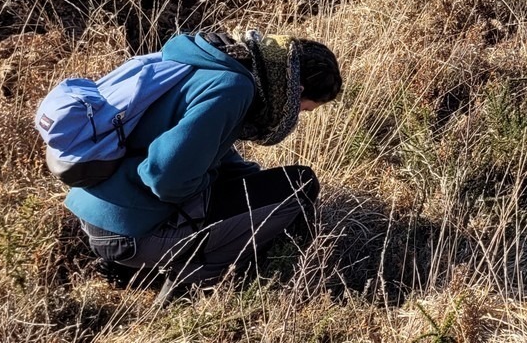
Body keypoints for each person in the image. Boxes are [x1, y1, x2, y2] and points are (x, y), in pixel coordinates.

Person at [65, 31, 342, 294]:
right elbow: (166, 177)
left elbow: (207, 147)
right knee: (300, 186)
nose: (296, 117)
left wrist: (248, 180)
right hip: (129, 233)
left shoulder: (210, 62)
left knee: (257, 190)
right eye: (303, 109)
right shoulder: (234, 89)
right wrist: (208, 181)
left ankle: (132, 271)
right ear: (296, 90)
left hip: (97, 213)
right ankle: (192, 283)